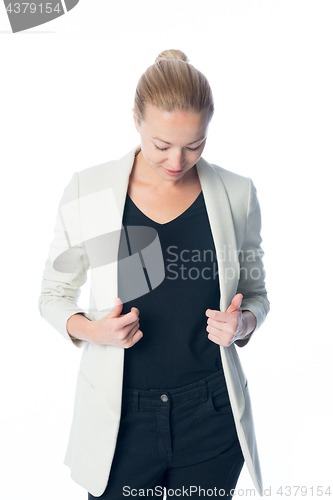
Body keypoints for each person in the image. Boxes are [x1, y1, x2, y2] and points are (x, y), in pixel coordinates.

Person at [38, 49, 269, 499]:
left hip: (211, 416)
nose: (177, 161)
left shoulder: (237, 194)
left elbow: (257, 293)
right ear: (135, 120)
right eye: (162, 145)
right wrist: (94, 331)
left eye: (195, 144)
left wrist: (243, 323)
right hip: (120, 422)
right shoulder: (90, 190)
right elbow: (53, 294)